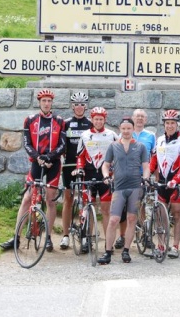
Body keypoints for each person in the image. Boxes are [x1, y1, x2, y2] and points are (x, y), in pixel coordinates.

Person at [0, 89, 66, 252]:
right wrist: (38, 158)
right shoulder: (30, 120)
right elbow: (26, 143)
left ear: (52, 103)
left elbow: (62, 145)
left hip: (53, 165)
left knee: (50, 201)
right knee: (27, 198)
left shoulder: (59, 121)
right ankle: (16, 237)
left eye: (49, 101)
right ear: (39, 102)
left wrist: (49, 158)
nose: (46, 103)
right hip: (36, 163)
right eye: (44, 100)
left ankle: (48, 237)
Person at [98, 117, 151, 265]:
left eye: (129, 128)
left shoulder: (140, 147)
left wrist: (146, 178)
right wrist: (106, 176)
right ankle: (108, 251)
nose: (126, 131)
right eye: (124, 129)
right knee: (114, 219)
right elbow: (105, 165)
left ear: (133, 129)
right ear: (120, 130)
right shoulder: (113, 146)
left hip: (135, 186)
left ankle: (126, 251)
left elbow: (146, 166)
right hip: (119, 187)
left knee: (132, 219)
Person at [149, 110, 180, 259]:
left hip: (177, 183)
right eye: (167, 123)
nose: (170, 126)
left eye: (172, 123)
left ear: (177, 125)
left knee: (177, 213)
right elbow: (153, 160)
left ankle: (175, 246)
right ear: (164, 124)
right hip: (162, 183)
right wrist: (147, 175)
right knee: (160, 214)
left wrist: (176, 180)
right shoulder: (159, 140)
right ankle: (161, 245)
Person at [75, 106, 118, 252]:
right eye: (96, 119)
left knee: (106, 210)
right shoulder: (85, 135)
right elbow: (80, 156)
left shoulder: (112, 134)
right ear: (92, 119)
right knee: (89, 206)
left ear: (104, 120)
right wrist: (80, 168)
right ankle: (87, 239)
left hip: (106, 177)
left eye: (101, 119)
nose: (98, 122)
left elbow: (118, 155)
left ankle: (108, 242)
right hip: (88, 175)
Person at [113, 109, 156, 251]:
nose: (139, 119)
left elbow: (153, 157)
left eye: (142, 117)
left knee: (142, 207)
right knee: (124, 209)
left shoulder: (151, 136)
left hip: (142, 177)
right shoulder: (122, 135)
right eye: (137, 116)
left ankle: (145, 235)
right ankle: (123, 235)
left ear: (146, 119)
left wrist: (150, 175)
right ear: (132, 118)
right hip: (125, 178)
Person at [58, 92, 93, 250]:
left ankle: (86, 235)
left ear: (85, 106)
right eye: (76, 104)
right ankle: (65, 235)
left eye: (82, 104)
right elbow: (61, 144)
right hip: (69, 165)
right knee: (68, 199)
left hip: (85, 165)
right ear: (72, 106)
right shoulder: (65, 123)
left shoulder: (91, 123)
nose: (79, 107)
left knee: (86, 200)